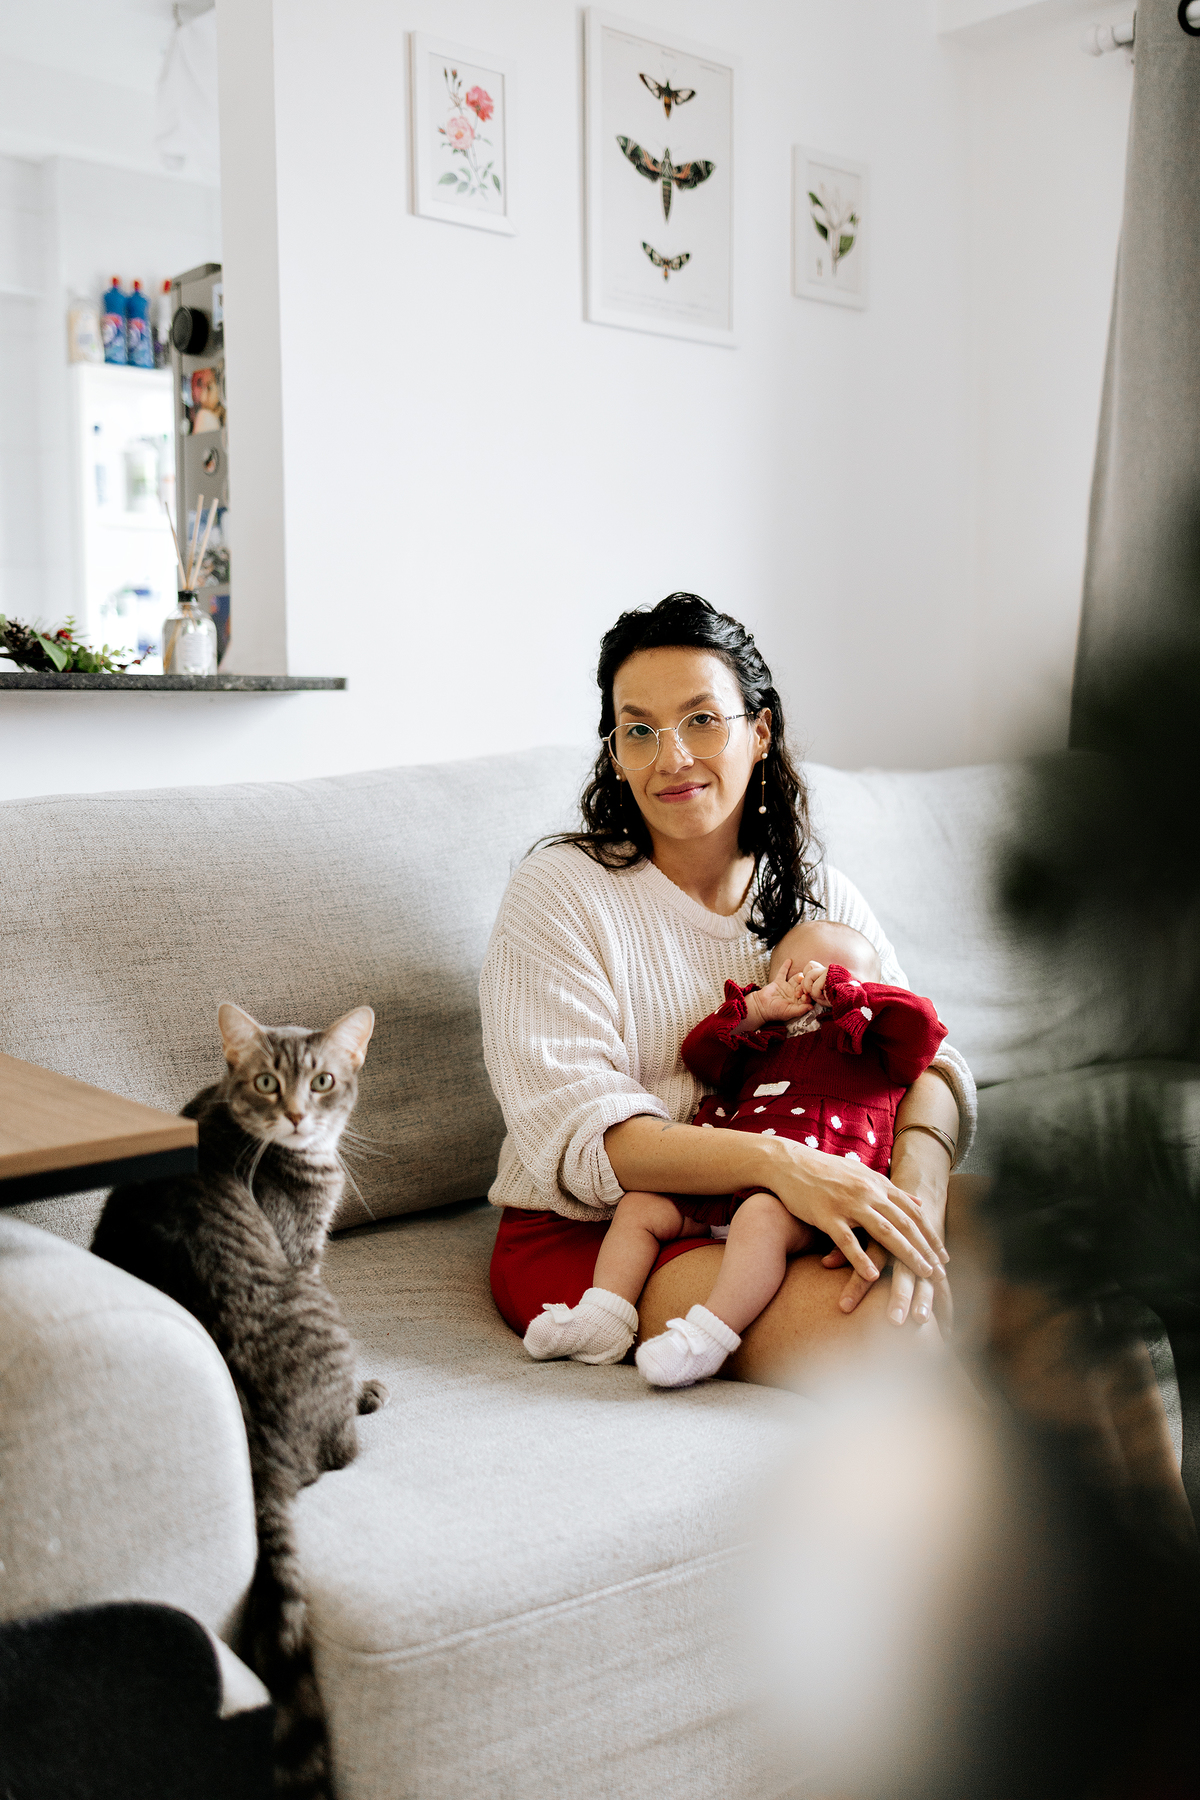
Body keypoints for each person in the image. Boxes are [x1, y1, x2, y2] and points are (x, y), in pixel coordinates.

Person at [479, 593, 973, 1388]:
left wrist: (916, 1193)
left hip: (797, 1200)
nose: (671, 757)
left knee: (1075, 1274)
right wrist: (788, 1167)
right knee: (896, 1336)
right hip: (609, 1230)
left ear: (760, 730)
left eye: (702, 720)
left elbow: (932, 1064)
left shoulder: (818, 895)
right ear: (615, 753)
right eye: (639, 730)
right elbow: (585, 1134)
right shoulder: (560, 891)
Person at [522, 919, 948, 1385]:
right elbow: (702, 1059)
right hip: (730, 1180)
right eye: (800, 975)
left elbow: (925, 1032)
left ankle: (709, 1335)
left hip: (821, 1197)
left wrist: (849, 995)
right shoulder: (770, 1043)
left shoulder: (879, 1050)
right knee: (642, 1206)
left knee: (761, 1217)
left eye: (837, 974)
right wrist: (757, 1010)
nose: (817, 984)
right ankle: (605, 1315)